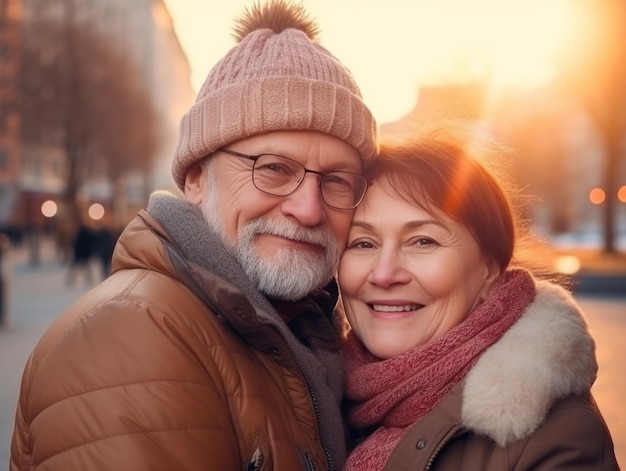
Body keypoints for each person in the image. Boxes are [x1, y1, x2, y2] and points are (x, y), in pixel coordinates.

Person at [10, 1, 377, 470]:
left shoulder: (313, 334)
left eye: (337, 180)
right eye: (274, 169)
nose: (308, 208)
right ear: (197, 180)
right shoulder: (129, 341)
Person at [338, 124, 620, 470]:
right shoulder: (310, 400)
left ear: (488, 270)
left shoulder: (558, 437)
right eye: (362, 243)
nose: (383, 274)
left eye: (423, 241)